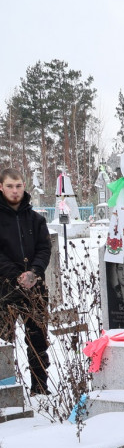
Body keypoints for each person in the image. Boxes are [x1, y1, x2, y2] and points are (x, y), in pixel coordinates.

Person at [0, 169, 50, 396]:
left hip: (35, 288)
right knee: (3, 341)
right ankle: (5, 390)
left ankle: (40, 389)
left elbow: (44, 248)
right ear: (1, 187)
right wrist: (15, 275)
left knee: (37, 339)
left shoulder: (36, 219)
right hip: (5, 289)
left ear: (24, 186)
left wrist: (34, 273)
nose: (14, 190)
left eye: (18, 186)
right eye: (10, 186)